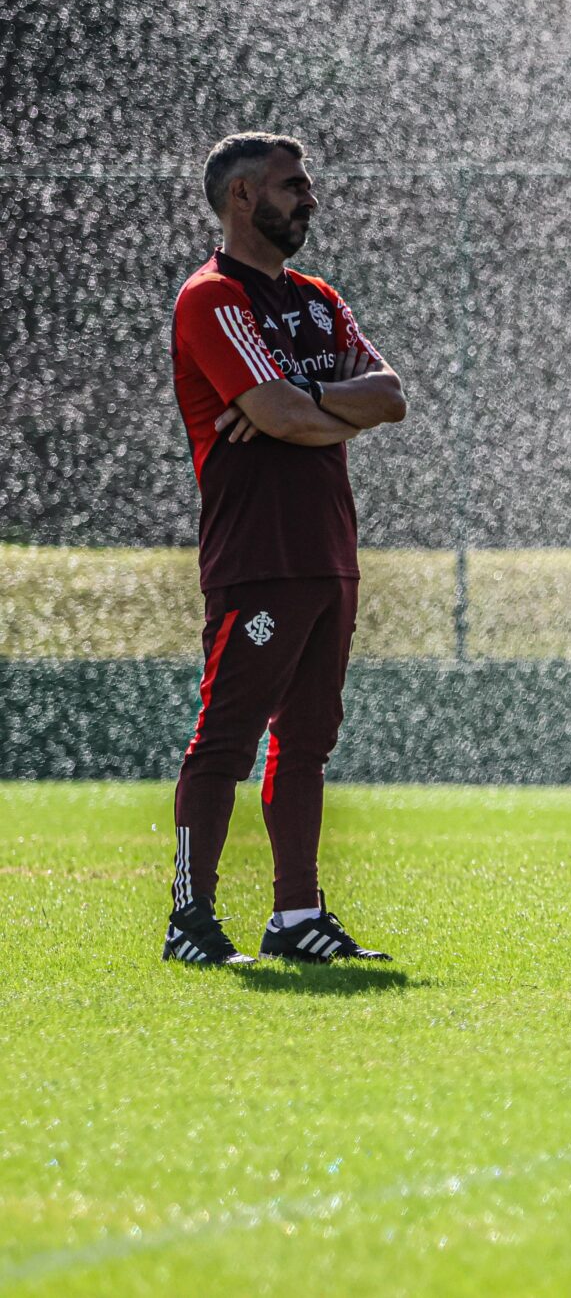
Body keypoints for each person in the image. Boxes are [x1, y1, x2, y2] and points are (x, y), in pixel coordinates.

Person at [164, 133, 407, 966]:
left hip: (330, 550)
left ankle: (296, 916)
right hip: (257, 554)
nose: (310, 198)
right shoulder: (211, 297)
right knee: (225, 740)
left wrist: (297, 397)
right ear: (241, 197)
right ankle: (189, 920)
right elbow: (282, 416)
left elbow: (391, 396)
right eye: (292, 185)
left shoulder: (315, 297)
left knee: (307, 743)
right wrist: (302, 408)